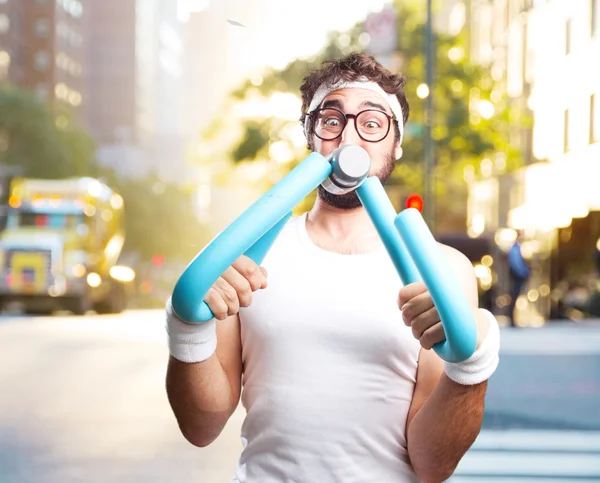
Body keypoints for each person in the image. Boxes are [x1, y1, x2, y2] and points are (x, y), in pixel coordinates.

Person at [165, 52, 500, 483]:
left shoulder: (443, 270)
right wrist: (188, 333)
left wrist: (471, 367)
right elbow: (201, 427)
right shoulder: (248, 256)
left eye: (372, 123)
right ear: (310, 134)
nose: (349, 140)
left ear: (396, 144)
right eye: (331, 120)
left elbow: (434, 464)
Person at [507, 232, 531, 327]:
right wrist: (524, 273)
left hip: (517, 275)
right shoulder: (515, 249)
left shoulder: (516, 248)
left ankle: (512, 319)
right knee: (514, 297)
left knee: (514, 297)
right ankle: (512, 320)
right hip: (517, 276)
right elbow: (516, 264)